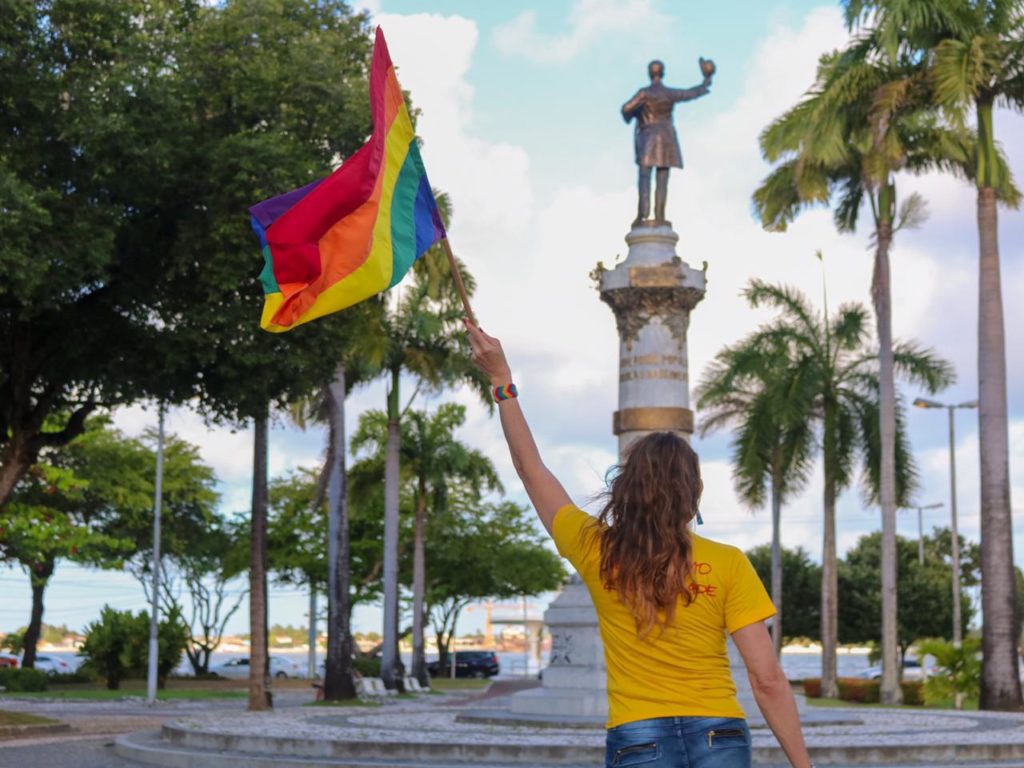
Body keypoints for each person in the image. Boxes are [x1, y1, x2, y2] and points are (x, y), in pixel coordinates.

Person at [465, 320, 813, 768]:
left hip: (637, 738)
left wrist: (502, 383)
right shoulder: (729, 564)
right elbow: (767, 679)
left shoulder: (597, 549)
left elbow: (531, 470)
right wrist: (803, 765)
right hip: (719, 734)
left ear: (628, 487)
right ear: (694, 492)